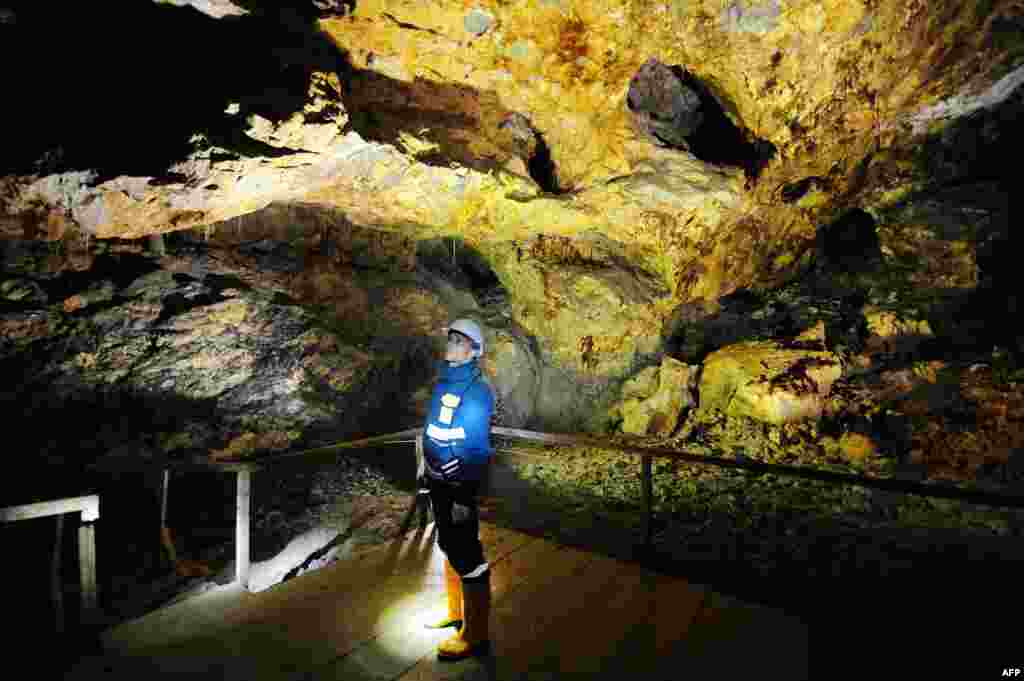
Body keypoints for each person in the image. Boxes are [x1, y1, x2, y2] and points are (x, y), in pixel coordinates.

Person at [419, 318, 495, 660]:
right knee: (448, 543)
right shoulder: (443, 382)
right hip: (438, 479)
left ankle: (475, 634)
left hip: (457, 483)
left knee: (467, 553)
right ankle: (456, 613)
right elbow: (433, 428)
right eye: (450, 337)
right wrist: (428, 466)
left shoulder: (477, 390)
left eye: (459, 340)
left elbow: (477, 447)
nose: (451, 343)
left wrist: (464, 487)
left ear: (474, 351)